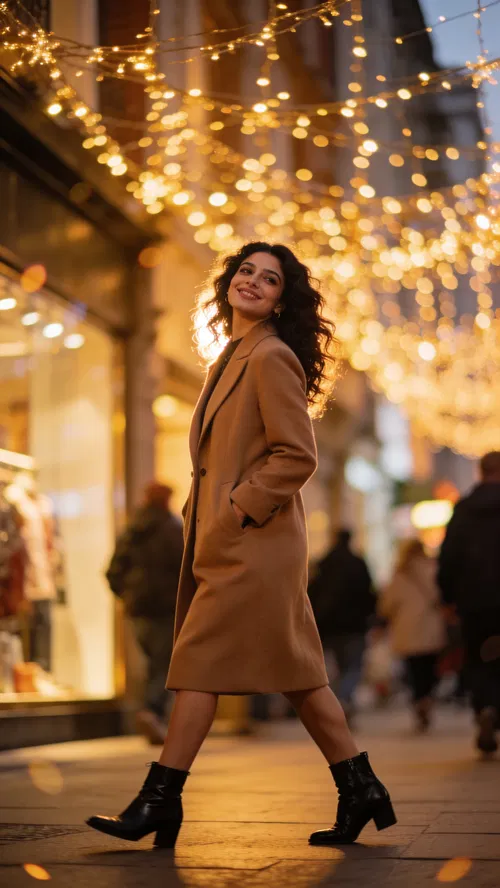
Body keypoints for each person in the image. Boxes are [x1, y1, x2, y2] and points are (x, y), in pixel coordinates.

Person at [87, 242, 396, 848]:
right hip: (240, 544)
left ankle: (160, 800)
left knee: (197, 662)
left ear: (284, 301)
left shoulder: (269, 356)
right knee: (303, 676)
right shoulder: (230, 356)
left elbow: (297, 454)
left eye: (270, 279)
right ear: (228, 282)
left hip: (252, 546)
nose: (253, 282)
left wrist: (235, 511)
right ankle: (361, 789)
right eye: (246, 271)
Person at [105, 482, 184, 745]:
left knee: (152, 664)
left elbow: (113, 572)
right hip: (165, 610)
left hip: (137, 612)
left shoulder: (131, 530)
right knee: (164, 666)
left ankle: (152, 715)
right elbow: (186, 572)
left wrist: (128, 597)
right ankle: (152, 713)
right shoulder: (174, 530)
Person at [438, 452, 500, 754]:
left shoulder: (463, 510)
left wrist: (448, 598)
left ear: (481, 471)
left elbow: (448, 557)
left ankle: (485, 708)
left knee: (477, 657)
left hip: (473, 600)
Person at [309, 529, 376, 721]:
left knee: (334, 668)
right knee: (353, 667)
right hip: (354, 625)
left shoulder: (323, 564)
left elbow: (311, 593)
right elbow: (368, 593)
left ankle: (338, 702)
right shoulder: (357, 563)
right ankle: (343, 699)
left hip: (328, 626)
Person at [379, 540, 446, 732]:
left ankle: (419, 700)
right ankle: (427, 698)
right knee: (431, 668)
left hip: (407, 629)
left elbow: (386, 605)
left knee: (414, 670)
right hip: (431, 627)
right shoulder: (432, 568)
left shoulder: (399, 574)